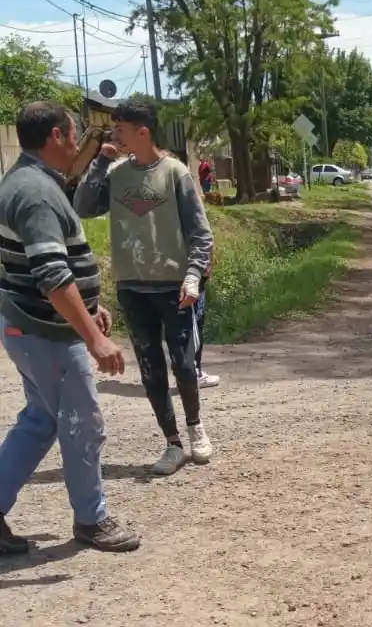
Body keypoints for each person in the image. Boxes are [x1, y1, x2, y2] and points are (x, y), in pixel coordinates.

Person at [0, 101, 140, 553]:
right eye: (74, 133)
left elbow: (49, 272)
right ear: (56, 136)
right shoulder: (37, 193)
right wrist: (93, 337)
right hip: (48, 333)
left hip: (31, 327)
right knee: (83, 422)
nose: (79, 143)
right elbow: (52, 276)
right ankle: (91, 520)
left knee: (41, 420)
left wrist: (90, 307)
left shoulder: (25, 182)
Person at [74, 99, 216, 476]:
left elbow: (201, 233)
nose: (114, 133)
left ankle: (195, 428)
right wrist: (100, 161)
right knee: (151, 369)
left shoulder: (175, 173)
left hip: (174, 287)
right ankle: (172, 444)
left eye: (120, 128)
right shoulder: (116, 173)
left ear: (143, 131)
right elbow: (84, 206)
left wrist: (193, 275)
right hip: (132, 288)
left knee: (184, 363)